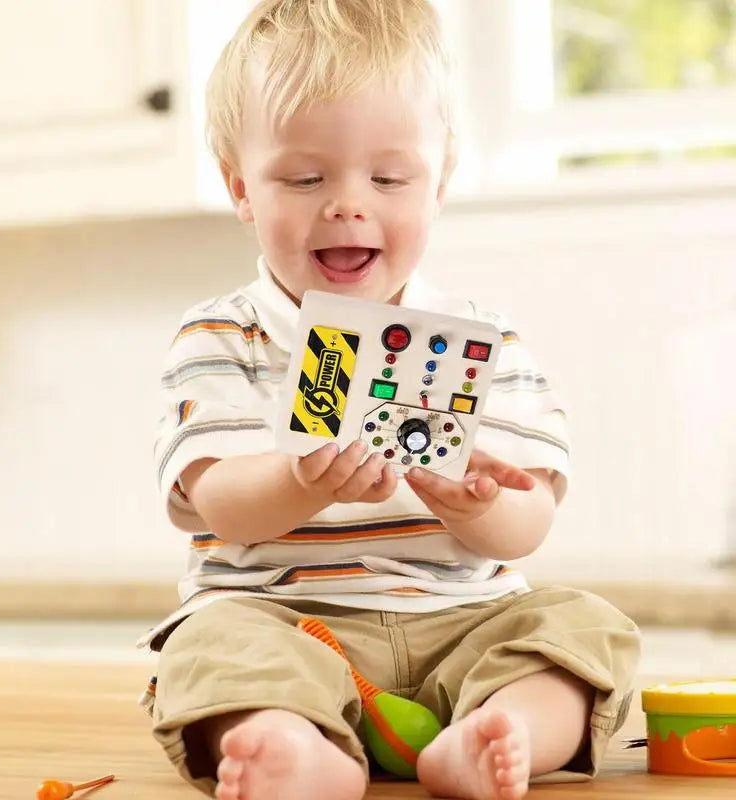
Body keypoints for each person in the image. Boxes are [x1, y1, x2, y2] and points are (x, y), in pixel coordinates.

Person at [140, 2, 640, 799]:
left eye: (389, 177)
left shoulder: (482, 340)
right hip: (288, 624)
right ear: (242, 188)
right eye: (305, 178)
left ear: (437, 183)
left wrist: (473, 506)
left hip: (462, 626)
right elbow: (219, 504)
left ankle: (498, 731)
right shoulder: (221, 337)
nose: (347, 203)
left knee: (582, 626)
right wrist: (300, 480)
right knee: (209, 645)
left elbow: (530, 518)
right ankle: (296, 750)